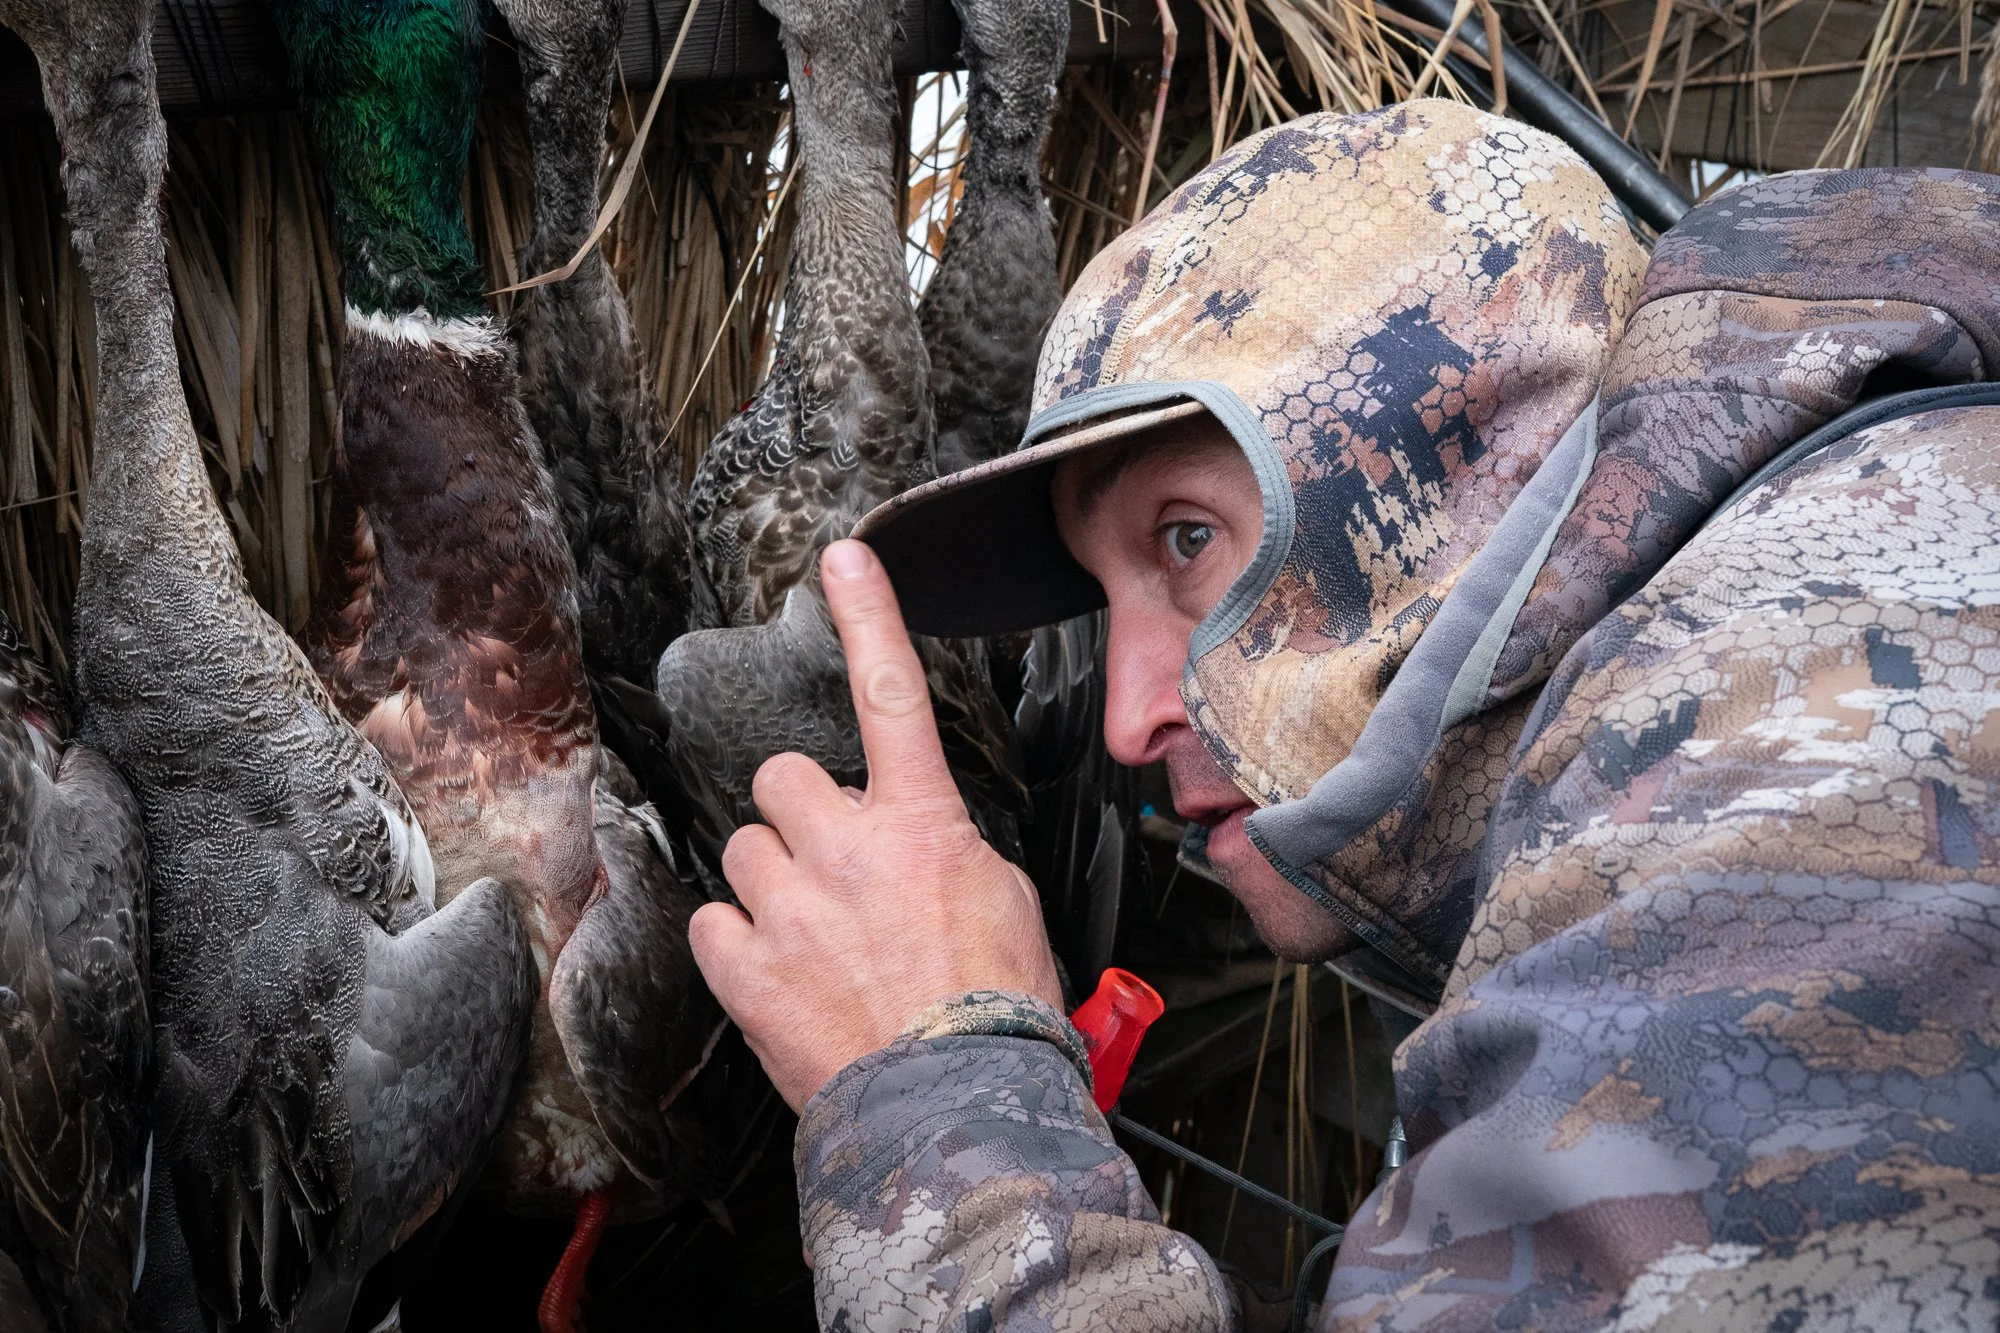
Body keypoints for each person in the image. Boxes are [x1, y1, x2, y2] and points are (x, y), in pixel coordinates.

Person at [688, 99, 2000, 1330]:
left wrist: (939, 1103)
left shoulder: (1800, 783)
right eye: (1108, 595)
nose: (1128, 721)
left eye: (1190, 539)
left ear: (1472, 467)